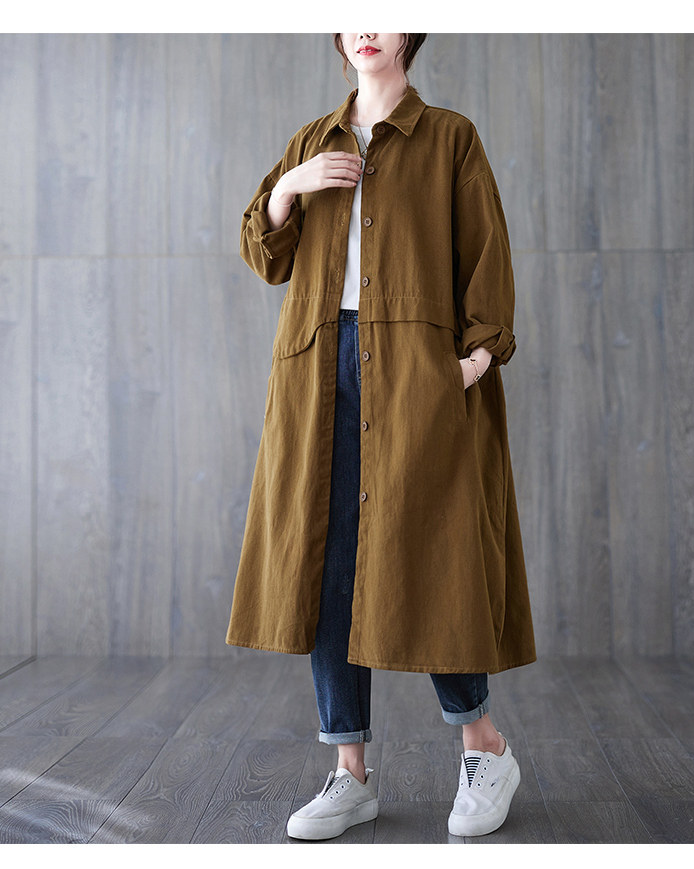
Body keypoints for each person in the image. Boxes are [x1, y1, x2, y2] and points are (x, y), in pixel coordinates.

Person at [226, 32, 536, 841]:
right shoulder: (312, 139)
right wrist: (290, 185)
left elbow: (488, 255)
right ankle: (350, 770)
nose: (367, 24)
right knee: (329, 557)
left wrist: (470, 363)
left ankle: (485, 747)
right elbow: (265, 254)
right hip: (320, 367)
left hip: (414, 372)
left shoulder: (450, 137)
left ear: (409, 32)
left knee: (431, 553)